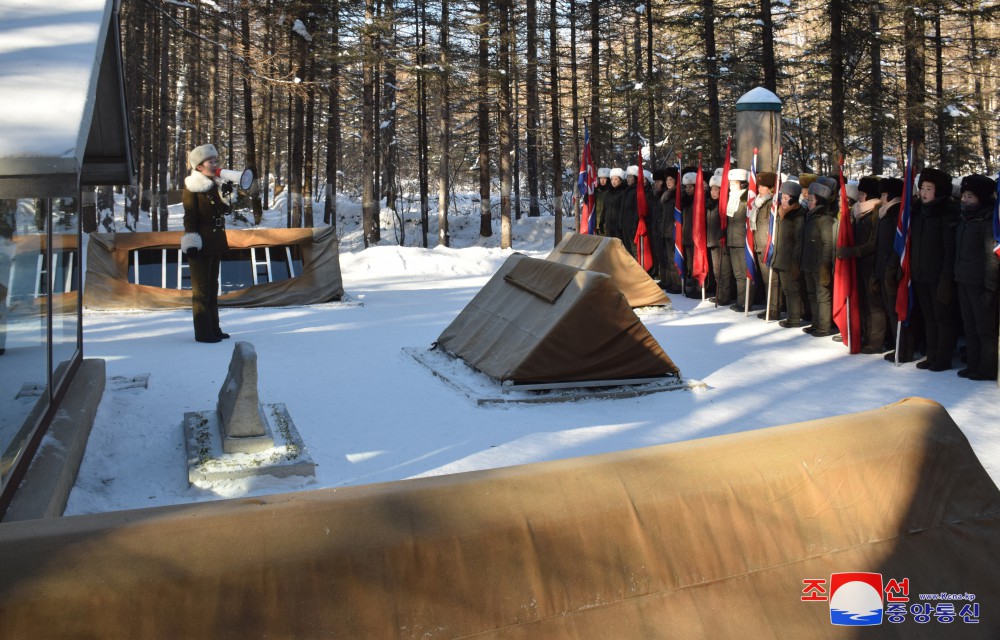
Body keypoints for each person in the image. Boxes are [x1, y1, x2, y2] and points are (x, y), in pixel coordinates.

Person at [181, 143, 231, 343]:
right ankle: (203, 333)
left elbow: (223, 211)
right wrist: (191, 241)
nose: (214, 164)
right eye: (210, 161)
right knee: (201, 291)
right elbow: (190, 216)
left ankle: (214, 328)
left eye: (215, 160)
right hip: (201, 244)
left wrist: (226, 195)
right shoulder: (192, 187)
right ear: (199, 167)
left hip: (215, 241)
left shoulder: (213, 186)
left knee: (212, 287)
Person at [910, 167, 958, 371]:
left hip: (939, 276)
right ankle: (932, 354)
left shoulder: (945, 213)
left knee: (943, 318)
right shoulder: (918, 212)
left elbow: (949, 250)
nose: (924, 192)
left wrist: (946, 279)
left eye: (929, 188)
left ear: (938, 191)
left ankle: (943, 357)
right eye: (922, 188)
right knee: (929, 318)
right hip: (921, 274)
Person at [953, 174, 999, 380]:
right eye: (964, 195)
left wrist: (990, 289)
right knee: (969, 327)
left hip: (981, 284)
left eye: (970, 196)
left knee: (984, 329)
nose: (964, 199)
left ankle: (987, 367)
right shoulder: (965, 218)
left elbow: (992, 259)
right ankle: (973, 364)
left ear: (981, 198)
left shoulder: (988, 221)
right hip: (963, 279)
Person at [835, 175, 882, 352]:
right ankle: (861, 334)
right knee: (860, 303)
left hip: (870, 265)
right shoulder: (858, 212)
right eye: (860, 193)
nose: (860, 197)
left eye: (863, 194)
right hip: (858, 266)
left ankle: (875, 340)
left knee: (874, 306)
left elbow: (873, 243)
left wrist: (854, 251)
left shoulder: (875, 213)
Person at [801, 182, 836, 336]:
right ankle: (816, 323)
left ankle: (824, 326)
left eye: (812, 200)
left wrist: (825, 265)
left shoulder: (824, 219)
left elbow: (829, 243)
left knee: (822, 296)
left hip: (819, 264)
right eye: (809, 200)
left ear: (820, 201)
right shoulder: (810, 216)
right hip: (808, 263)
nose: (809, 203)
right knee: (812, 295)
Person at [771, 181, 805, 328]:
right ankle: (791, 314)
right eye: (782, 198)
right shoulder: (780, 213)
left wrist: (794, 262)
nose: (783, 201)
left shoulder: (798, 216)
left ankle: (794, 318)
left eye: (786, 198)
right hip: (780, 256)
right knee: (786, 289)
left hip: (790, 259)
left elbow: (798, 241)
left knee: (792, 290)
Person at [751, 171, 779, 318]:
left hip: (767, 246)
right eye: (759, 186)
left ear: (770, 188)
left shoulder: (771, 204)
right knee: (766, 280)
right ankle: (770, 306)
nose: (760, 189)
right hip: (759, 245)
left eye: (763, 187)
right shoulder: (758, 203)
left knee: (771, 280)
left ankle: (773, 309)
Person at [724, 168, 751, 311]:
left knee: (744, 272)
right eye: (730, 183)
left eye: (734, 183)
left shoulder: (746, 199)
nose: (731, 186)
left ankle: (746, 302)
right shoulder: (731, 197)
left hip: (742, 240)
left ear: (742, 183)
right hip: (732, 240)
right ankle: (741, 301)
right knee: (738, 274)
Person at [594, 167, 611, 235]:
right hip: (596, 224)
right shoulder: (596, 191)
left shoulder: (610, 191)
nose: (602, 181)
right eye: (601, 178)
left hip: (607, 224)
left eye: (604, 178)